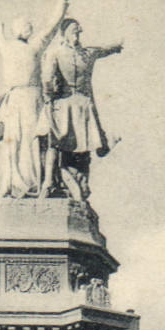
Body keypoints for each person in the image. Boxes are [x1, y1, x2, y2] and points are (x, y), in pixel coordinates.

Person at [0, 0, 68, 198]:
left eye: (30, 26)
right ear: (17, 28)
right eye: (26, 26)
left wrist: (62, 3)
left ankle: (35, 182)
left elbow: (51, 27)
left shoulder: (34, 46)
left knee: (32, 140)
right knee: (14, 141)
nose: (30, 28)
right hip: (15, 99)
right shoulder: (8, 46)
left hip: (33, 99)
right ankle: (17, 184)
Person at [41, 17, 124, 200]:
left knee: (84, 149)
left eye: (79, 31)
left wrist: (117, 46)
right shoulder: (56, 52)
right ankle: (48, 183)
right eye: (74, 31)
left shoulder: (87, 53)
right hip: (63, 105)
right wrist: (49, 99)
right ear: (64, 34)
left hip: (83, 107)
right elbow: (47, 78)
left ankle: (80, 186)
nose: (77, 34)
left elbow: (104, 50)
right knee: (56, 144)